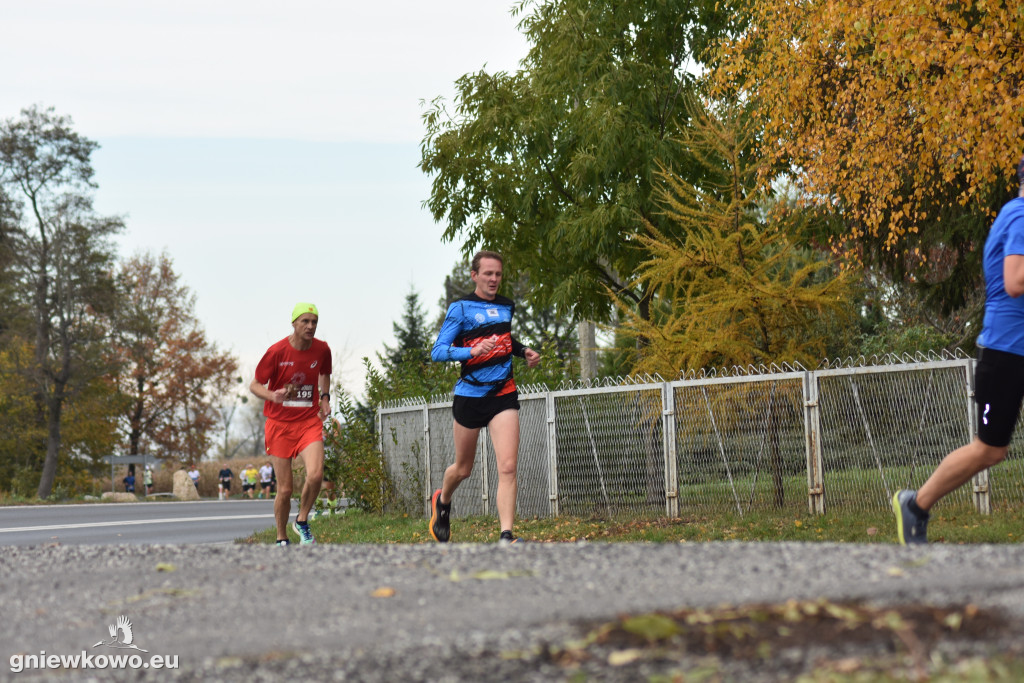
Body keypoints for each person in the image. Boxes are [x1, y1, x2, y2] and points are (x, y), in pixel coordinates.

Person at [893, 155, 1024, 544]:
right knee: (990, 450)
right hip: (1006, 353)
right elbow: (1015, 281)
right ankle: (916, 505)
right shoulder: (1020, 216)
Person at [428, 251, 540, 544]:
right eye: (488, 273)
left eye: (498, 274)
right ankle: (443, 500)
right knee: (463, 469)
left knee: (508, 467)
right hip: (470, 396)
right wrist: (471, 351)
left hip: (503, 393)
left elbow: (503, 338)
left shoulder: (506, 306)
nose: (493, 279)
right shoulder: (460, 308)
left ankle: (506, 536)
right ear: (474, 275)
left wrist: (523, 351)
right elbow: (438, 351)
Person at [249, 303, 332, 546]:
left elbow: (325, 373)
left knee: (316, 475)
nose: (310, 326)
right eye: (305, 321)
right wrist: (271, 395)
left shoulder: (322, 349)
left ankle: (302, 520)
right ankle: (281, 537)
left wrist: (325, 398)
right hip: (279, 425)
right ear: (294, 323)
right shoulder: (277, 352)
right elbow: (254, 385)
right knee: (285, 490)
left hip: (308, 422)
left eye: (314, 322)